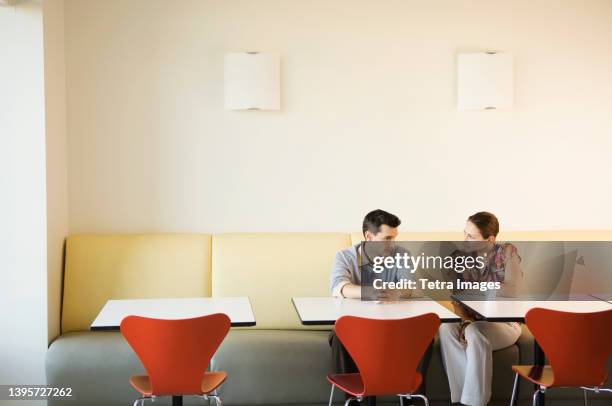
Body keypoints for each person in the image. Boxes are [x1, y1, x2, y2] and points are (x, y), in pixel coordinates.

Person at [329, 209, 427, 405]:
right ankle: (355, 400)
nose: (391, 244)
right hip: (358, 327)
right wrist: (370, 292)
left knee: (426, 336)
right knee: (339, 337)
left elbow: (411, 287)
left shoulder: (401, 254)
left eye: (394, 238)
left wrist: (397, 292)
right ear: (368, 236)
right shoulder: (345, 257)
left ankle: (411, 398)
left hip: (394, 327)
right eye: (387, 238)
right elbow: (340, 287)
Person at [438, 212, 523, 406]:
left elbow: (513, 289)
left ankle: (475, 402)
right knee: (446, 329)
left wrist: (481, 287)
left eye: (471, 236)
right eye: (465, 234)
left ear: (490, 239)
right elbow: (457, 301)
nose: (465, 241)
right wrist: (467, 321)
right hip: (471, 320)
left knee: (475, 332)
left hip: (505, 324)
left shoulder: (507, 252)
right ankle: (461, 400)